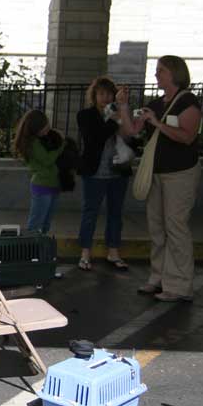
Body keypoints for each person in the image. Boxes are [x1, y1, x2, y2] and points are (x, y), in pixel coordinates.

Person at [117, 55, 202, 303]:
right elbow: (131, 130)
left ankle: (179, 285)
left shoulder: (188, 102)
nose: (156, 75)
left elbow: (187, 136)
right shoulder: (156, 103)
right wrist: (123, 105)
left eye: (161, 70)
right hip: (157, 172)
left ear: (174, 73)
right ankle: (159, 277)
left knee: (176, 227)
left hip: (180, 174)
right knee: (157, 227)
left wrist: (158, 124)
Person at [75, 77, 132, 272]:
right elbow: (94, 138)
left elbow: (131, 136)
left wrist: (121, 115)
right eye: (101, 94)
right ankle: (84, 253)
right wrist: (113, 120)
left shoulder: (119, 113)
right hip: (95, 172)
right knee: (90, 212)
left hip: (118, 172)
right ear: (94, 95)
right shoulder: (85, 115)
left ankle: (113, 252)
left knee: (116, 213)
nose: (105, 98)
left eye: (109, 94)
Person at [13, 109, 65, 234]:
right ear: (36, 128)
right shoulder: (33, 144)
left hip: (53, 184)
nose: (48, 128)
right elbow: (47, 160)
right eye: (45, 127)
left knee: (46, 223)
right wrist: (61, 145)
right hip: (43, 186)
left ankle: (41, 250)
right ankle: (32, 249)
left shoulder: (41, 139)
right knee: (36, 223)